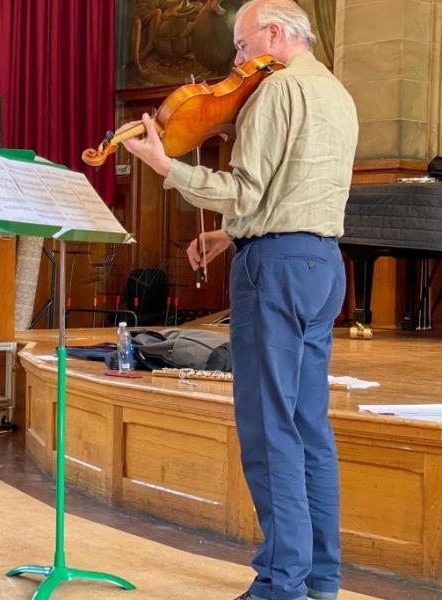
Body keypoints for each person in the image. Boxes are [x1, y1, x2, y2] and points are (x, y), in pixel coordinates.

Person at [120, 1, 358, 599]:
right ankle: (320, 580)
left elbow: (245, 191)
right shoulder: (336, 93)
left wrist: (165, 165)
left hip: (276, 271)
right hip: (322, 264)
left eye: (242, 44)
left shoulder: (276, 92)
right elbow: (293, 193)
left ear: (275, 33)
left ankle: (280, 586)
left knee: (269, 428)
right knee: (308, 427)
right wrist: (230, 234)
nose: (237, 60)